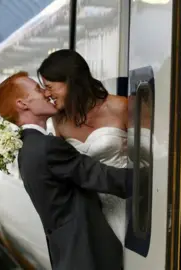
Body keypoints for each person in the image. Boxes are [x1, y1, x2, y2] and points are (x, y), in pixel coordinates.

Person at [0, 71, 138, 270]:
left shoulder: (27, 147)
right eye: (38, 89)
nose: (46, 93)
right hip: (86, 257)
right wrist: (159, 179)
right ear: (22, 104)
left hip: (69, 256)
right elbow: (102, 177)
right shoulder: (47, 147)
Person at [38, 49, 129, 246]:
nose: (47, 94)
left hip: (125, 205)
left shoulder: (121, 107)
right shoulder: (59, 119)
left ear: (70, 81)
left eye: (49, 86)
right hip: (86, 214)